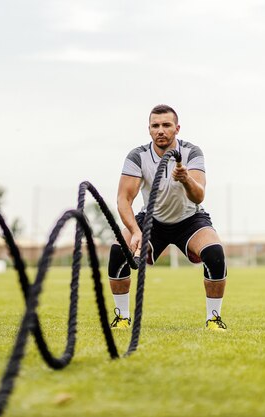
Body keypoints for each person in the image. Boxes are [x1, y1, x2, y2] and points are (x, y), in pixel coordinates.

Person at [108, 104, 227, 331]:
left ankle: (213, 319)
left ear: (177, 128)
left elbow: (199, 195)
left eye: (166, 125)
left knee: (215, 253)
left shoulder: (192, 152)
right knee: (118, 251)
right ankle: (122, 317)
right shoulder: (137, 156)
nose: (160, 130)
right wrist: (135, 231)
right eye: (155, 126)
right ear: (149, 129)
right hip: (152, 220)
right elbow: (124, 200)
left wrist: (186, 179)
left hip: (190, 219)